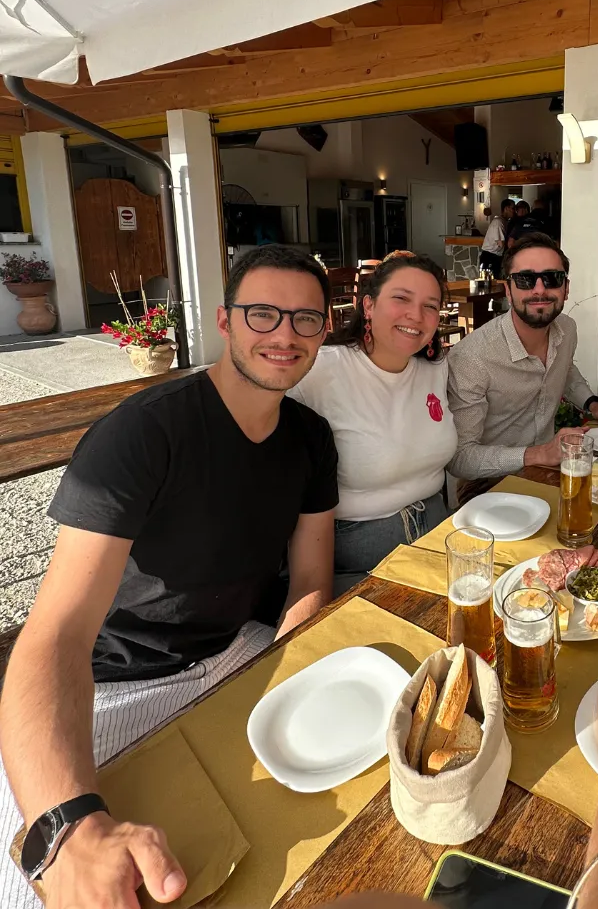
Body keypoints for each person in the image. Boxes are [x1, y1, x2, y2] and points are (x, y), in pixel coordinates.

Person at [0, 244, 339, 909]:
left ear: (324, 331)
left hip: (241, 651)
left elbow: (308, 580)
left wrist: (291, 677)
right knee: (50, 884)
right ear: (225, 320)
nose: (284, 334)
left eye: (305, 319)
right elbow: (56, 635)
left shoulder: (310, 437)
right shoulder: (143, 434)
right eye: (263, 313)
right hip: (118, 682)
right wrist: (68, 827)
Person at [289, 252, 456, 591]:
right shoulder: (319, 371)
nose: (416, 315)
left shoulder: (436, 368)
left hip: (439, 541)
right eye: (401, 298)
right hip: (358, 561)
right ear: (368, 305)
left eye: (430, 306)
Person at [447, 233, 598, 481]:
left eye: (552, 279)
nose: (540, 290)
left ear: (566, 289)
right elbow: (460, 458)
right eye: (525, 280)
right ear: (508, 290)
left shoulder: (566, 329)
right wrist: (540, 454)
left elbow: (565, 370)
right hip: (488, 486)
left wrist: (593, 405)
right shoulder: (472, 357)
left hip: (546, 472)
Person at [479, 197, 514, 274]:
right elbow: (500, 243)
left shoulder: (505, 222)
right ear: (506, 208)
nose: (514, 211)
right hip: (490, 257)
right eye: (512, 208)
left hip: (495, 256)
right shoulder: (498, 222)